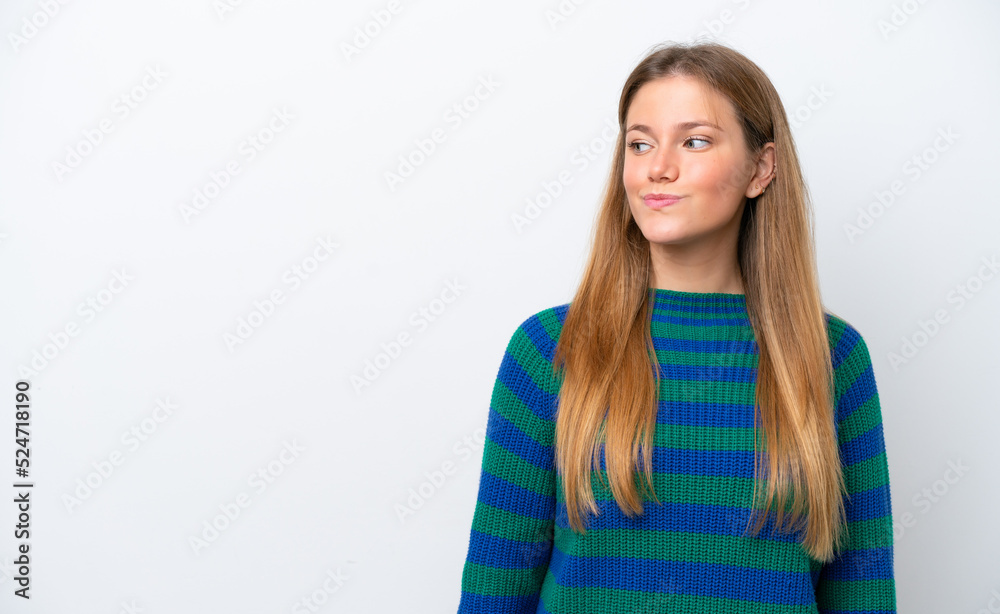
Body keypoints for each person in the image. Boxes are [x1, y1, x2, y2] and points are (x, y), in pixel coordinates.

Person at [457, 41, 896, 614]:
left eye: (694, 141)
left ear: (760, 169)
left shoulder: (833, 357)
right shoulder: (550, 350)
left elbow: (863, 588)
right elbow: (496, 587)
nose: (658, 167)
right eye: (640, 144)